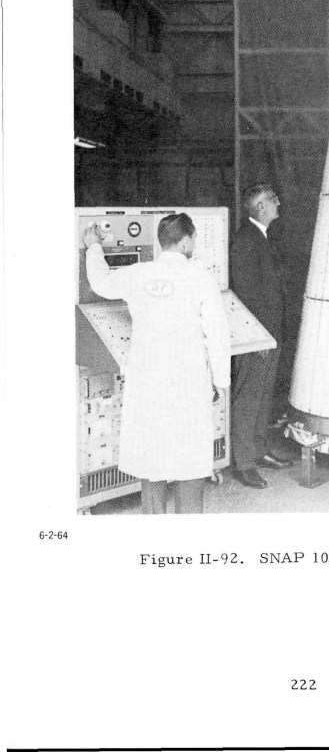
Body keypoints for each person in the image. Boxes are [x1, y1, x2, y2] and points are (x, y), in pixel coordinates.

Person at [83, 213, 230, 513]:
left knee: (151, 461)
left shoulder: (139, 273)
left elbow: (101, 283)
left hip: (147, 385)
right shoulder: (201, 278)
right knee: (189, 461)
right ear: (186, 241)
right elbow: (217, 334)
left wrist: (94, 246)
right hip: (188, 385)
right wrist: (221, 382)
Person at [229, 183, 292, 488]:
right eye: (273, 200)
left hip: (270, 333)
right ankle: (243, 463)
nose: (278, 203)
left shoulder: (263, 237)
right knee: (249, 397)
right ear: (260, 207)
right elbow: (246, 294)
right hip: (257, 336)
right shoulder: (246, 241)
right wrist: (258, 337)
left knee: (263, 395)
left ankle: (258, 449)